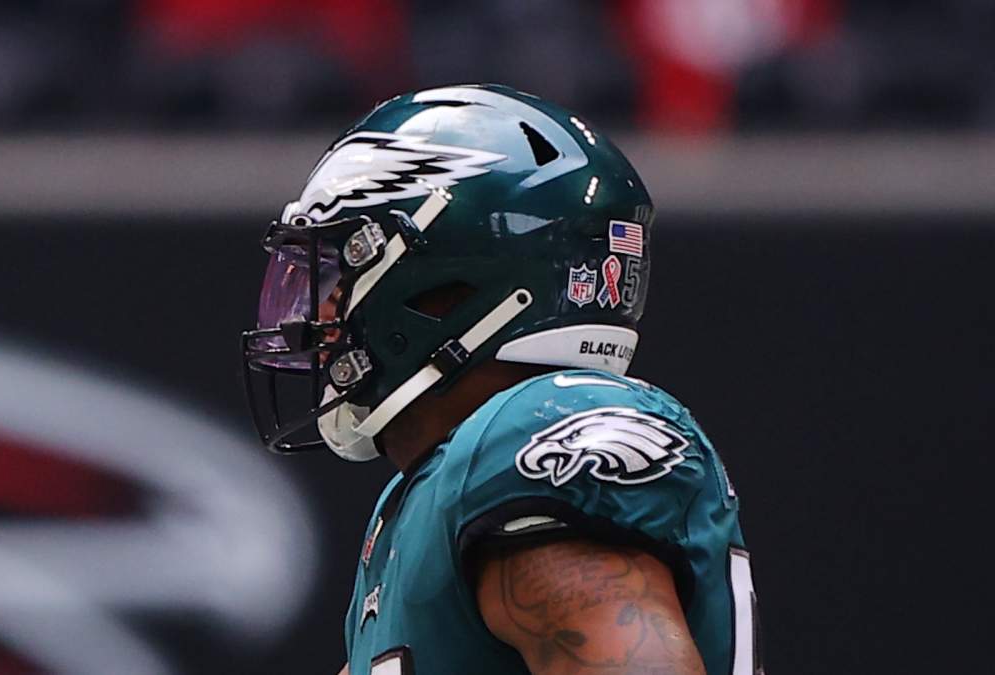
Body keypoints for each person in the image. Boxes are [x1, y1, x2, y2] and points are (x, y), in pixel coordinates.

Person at [241, 84, 760, 675]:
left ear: (444, 280)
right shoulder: (424, 497)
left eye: (342, 273)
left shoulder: (536, 435)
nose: (321, 313)